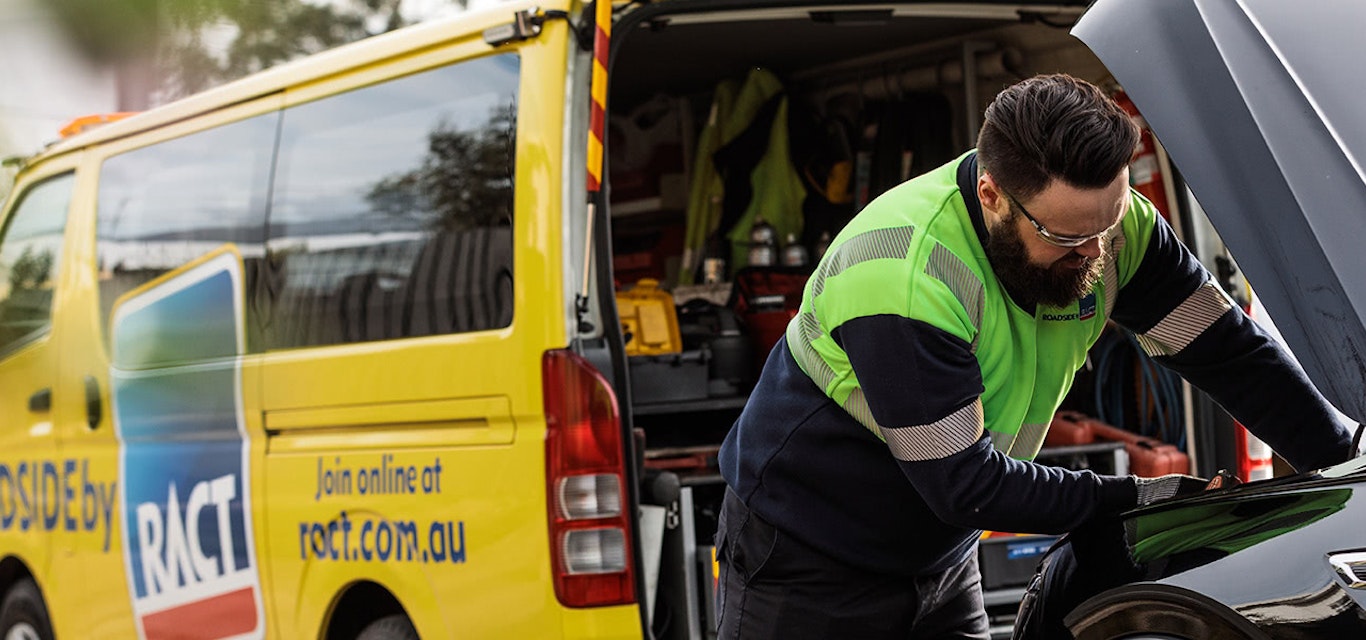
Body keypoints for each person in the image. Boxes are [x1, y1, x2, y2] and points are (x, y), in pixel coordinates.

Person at [714, 74, 1355, 639]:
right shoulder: (907, 274)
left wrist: (1348, 472)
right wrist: (1141, 496)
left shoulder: (1112, 226)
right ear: (992, 195)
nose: (1095, 254)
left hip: (939, 557)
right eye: (1065, 236)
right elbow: (968, 487)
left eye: (1106, 225)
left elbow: (1233, 356)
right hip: (808, 557)